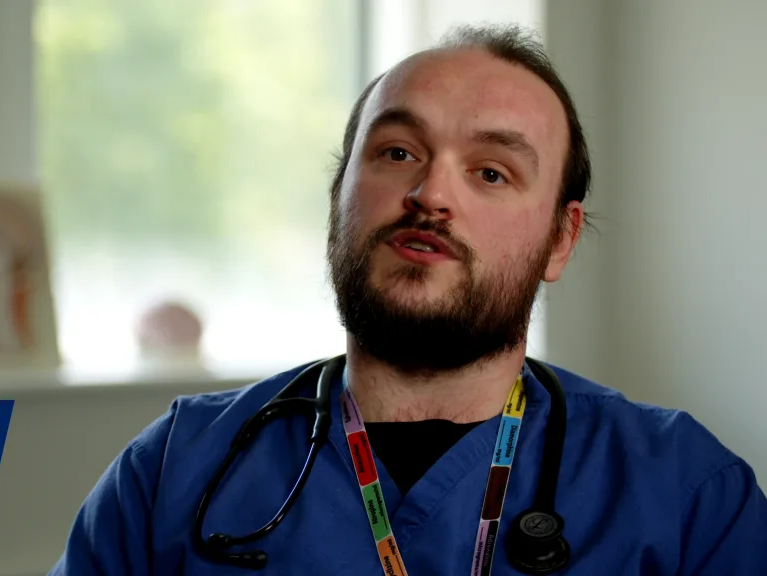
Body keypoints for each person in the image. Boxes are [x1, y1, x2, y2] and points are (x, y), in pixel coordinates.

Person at [47, 24, 767, 575]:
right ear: (338, 199)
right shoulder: (175, 470)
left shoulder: (686, 495)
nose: (431, 195)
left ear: (560, 239)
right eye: (397, 154)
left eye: (490, 172)